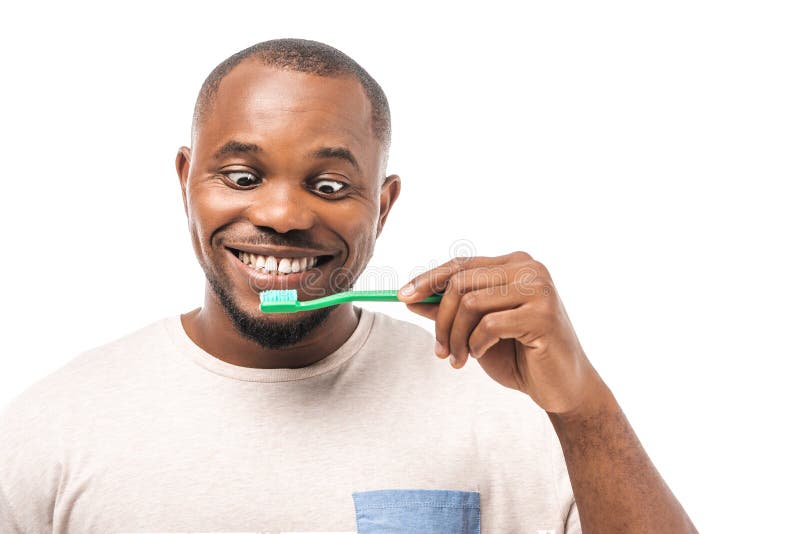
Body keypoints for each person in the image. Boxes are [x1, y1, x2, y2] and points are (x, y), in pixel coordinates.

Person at [0, 38, 696, 533]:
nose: (281, 215)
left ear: (383, 206)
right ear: (186, 180)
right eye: (242, 177)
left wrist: (584, 409)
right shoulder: (53, 431)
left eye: (330, 185)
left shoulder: (504, 409)